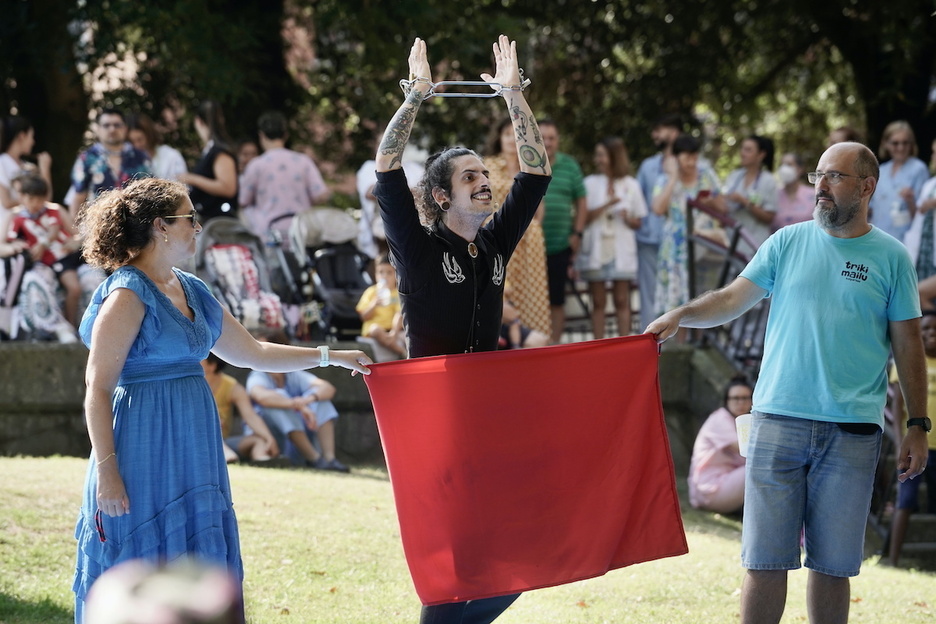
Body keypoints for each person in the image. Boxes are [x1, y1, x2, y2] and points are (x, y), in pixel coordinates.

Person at [646, 141, 929, 624]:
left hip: (852, 433)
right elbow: (733, 298)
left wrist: (917, 424)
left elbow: (909, 346)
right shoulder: (785, 241)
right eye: (818, 175)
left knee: (832, 568)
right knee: (764, 561)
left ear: (867, 186)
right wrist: (682, 314)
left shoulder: (891, 257)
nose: (820, 186)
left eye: (835, 177)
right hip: (778, 422)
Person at [72, 177, 371, 623]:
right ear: (161, 226)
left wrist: (330, 355)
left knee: (197, 551)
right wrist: (108, 472)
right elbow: (96, 389)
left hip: (192, 442)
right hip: (142, 443)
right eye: (190, 217)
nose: (198, 226)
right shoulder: (126, 294)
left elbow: (253, 352)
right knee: (142, 552)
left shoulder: (192, 287)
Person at [373, 35, 551, 624]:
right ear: (441, 194)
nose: (484, 180)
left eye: (484, 172)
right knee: (454, 559)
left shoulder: (495, 240)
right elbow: (387, 165)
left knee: (524, 548)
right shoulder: (418, 248)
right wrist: (416, 98)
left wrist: (513, 94)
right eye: (470, 175)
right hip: (435, 421)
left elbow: (535, 168)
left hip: (487, 411)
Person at [484, 117, 552, 338]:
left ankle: (535, 347)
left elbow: (538, 207)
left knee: (533, 294)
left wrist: (532, 228)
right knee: (500, 289)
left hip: (529, 240)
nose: (512, 139)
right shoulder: (487, 165)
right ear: (499, 138)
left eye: (516, 134)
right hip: (496, 236)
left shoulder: (530, 166)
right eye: (506, 134)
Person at [246, 330, 349, 472]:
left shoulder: (292, 374)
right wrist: (298, 405)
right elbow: (261, 396)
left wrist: (308, 400)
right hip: (272, 444)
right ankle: (314, 459)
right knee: (276, 403)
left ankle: (329, 459)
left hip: (301, 439)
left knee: (321, 401)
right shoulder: (257, 375)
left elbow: (327, 388)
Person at [651, 134, 726, 324]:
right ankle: (682, 342)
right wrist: (673, 177)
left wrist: (710, 202)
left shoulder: (706, 175)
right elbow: (658, 209)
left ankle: (701, 340)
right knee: (676, 301)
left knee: (704, 295)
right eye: (687, 157)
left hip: (702, 243)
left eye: (694, 157)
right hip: (675, 247)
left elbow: (723, 206)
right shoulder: (665, 179)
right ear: (676, 157)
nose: (691, 162)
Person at [578, 136, 646, 338]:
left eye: (601, 155)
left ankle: (624, 344)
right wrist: (607, 204)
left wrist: (627, 218)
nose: (597, 159)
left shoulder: (631, 184)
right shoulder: (589, 183)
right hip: (597, 248)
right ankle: (598, 345)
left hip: (620, 248)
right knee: (598, 301)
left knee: (622, 300)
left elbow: (638, 221)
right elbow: (584, 217)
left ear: (613, 157)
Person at [887, 310, 936, 566]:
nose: (930, 334)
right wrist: (899, 439)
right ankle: (893, 559)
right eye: (925, 329)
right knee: (905, 500)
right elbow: (896, 406)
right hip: (913, 446)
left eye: (935, 330)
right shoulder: (906, 360)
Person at [239, 110, 331, 243]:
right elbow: (320, 195)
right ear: (285, 135)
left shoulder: (256, 165)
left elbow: (243, 201)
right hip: (302, 233)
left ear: (261, 135)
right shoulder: (303, 161)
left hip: (269, 234)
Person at [7, 174, 83, 327]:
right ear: (21, 197)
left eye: (39, 199)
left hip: (63, 257)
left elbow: (59, 232)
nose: (36, 204)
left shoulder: (53, 210)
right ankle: (54, 328)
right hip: (41, 263)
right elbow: (10, 240)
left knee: (75, 288)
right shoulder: (17, 217)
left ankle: (72, 326)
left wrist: (73, 242)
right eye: (31, 199)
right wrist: (16, 247)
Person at [539, 118, 586, 344]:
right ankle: (532, 347)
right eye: (543, 137)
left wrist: (577, 233)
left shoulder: (570, 165)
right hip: (528, 246)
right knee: (533, 298)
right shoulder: (524, 162)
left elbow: (582, 201)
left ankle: (554, 346)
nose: (547, 142)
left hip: (559, 245)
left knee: (557, 300)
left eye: (552, 138)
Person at [636, 114, 682, 333]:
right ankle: (647, 340)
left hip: (679, 243)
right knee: (648, 293)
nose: (655, 135)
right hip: (649, 239)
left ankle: (676, 341)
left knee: (679, 291)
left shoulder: (692, 164)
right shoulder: (648, 165)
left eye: (659, 130)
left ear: (674, 133)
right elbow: (638, 199)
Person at [201, 352, 281, 464]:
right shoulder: (190, 385)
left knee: (259, 441)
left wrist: (268, 438)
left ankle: (263, 461)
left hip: (225, 441)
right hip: (199, 441)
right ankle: (226, 455)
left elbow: (250, 416)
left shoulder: (232, 387)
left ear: (212, 366)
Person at [69, 108, 152, 215]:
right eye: (106, 125)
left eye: (117, 125)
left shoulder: (140, 157)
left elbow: (151, 193)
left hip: (136, 225)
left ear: (125, 128)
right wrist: (76, 229)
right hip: (98, 224)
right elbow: (78, 197)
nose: (112, 129)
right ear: (98, 129)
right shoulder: (87, 158)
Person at [357, 133, 425, 262]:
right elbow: (373, 192)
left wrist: (394, 190)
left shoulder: (415, 169)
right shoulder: (368, 167)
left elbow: (426, 193)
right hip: (380, 244)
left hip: (412, 237)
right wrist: (407, 192)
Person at [688, 376, 751, 514]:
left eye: (745, 398)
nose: (741, 403)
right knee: (758, 468)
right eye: (735, 398)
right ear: (726, 401)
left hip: (725, 483)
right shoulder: (720, 419)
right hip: (710, 489)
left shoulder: (742, 421)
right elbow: (748, 451)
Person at [868, 120, 929, 242]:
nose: (900, 148)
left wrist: (910, 200)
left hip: (905, 241)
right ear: (886, 144)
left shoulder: (919, 169)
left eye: (905, 143)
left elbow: (923, 214)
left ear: (911, 145)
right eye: (895, 143)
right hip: (878, 237)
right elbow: (871, 209)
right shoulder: (881, 170)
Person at [178, 100, 238, 222]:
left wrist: (192, 178)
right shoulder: (210, 150)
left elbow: (228, 188)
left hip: (220, 221)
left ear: (198, 121)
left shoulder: (220, 152)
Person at [723, 135, 777, 248]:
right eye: (742, 148)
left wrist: (744, 202)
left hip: (754, 243)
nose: (742, 153)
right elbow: (724, 207)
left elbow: (769, 217)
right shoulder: (734, 176)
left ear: (761, 155)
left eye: (748, 150)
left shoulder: (768, 181)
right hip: (731, 241)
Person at [355, 253, 406, 358]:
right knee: (375, 329)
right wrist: (374, 304)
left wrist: (394, 333)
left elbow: (399, 315)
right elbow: (364, 316)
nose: (384, 276)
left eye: (389, 273)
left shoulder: (397, 293)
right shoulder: (371, 292)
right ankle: (402, 353)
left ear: (396, 275)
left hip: (392, 330)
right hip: (374, 330)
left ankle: (395, 345)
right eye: (381, 272)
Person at [0, 115, 52, 210]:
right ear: (22, 136)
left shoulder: (28, 167)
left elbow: (47, 199)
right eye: (31, 137)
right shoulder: (2, 163)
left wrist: (45, 170)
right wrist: (33, 199)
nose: (33, 142)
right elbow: (6, 202)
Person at [125, 113, 187, 181]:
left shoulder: (171, 155)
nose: (137, 145)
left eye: (140, 139)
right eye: (132, 142)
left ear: (149, 134)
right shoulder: (130, 161)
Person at [771, 152, 814, 232]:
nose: (784, 168)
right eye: (782, 164)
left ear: (800, 169)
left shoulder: (813, 195)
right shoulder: (774, 195)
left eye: (789, 164)